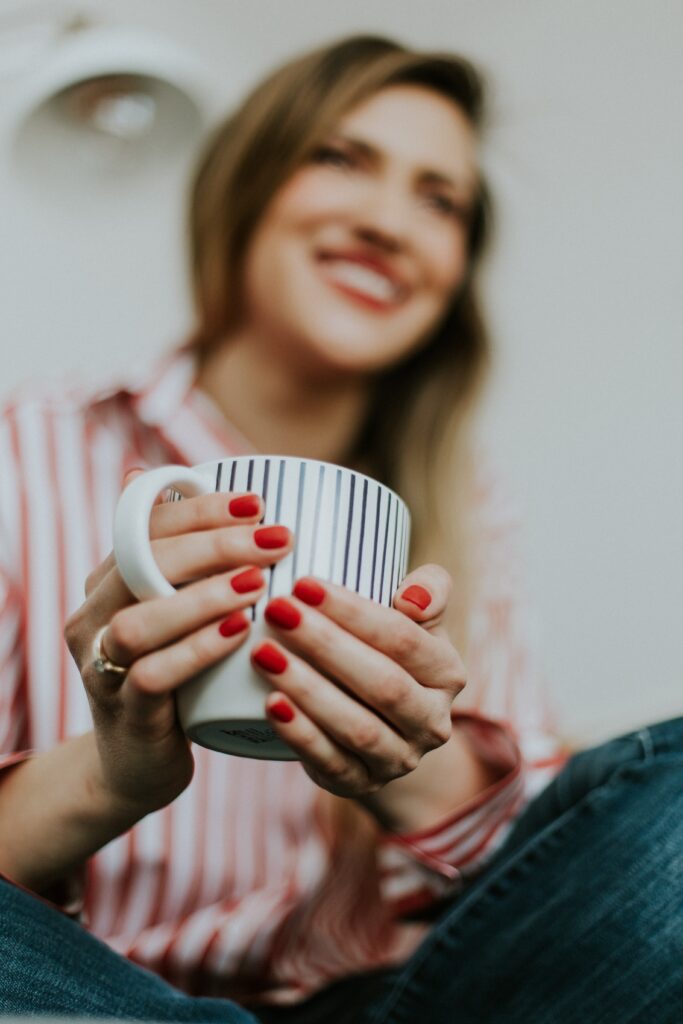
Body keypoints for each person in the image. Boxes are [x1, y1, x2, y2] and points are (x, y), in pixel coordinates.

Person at [0, 33, 681, 1024]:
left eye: (437, 199)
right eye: (340, 159)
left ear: (453, 272)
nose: (386, 222)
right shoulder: (30, 449)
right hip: (78, 985)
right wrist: (109, 772)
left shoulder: (464, 506)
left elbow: (553, 898)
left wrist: (413, 759)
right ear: (246, 189)